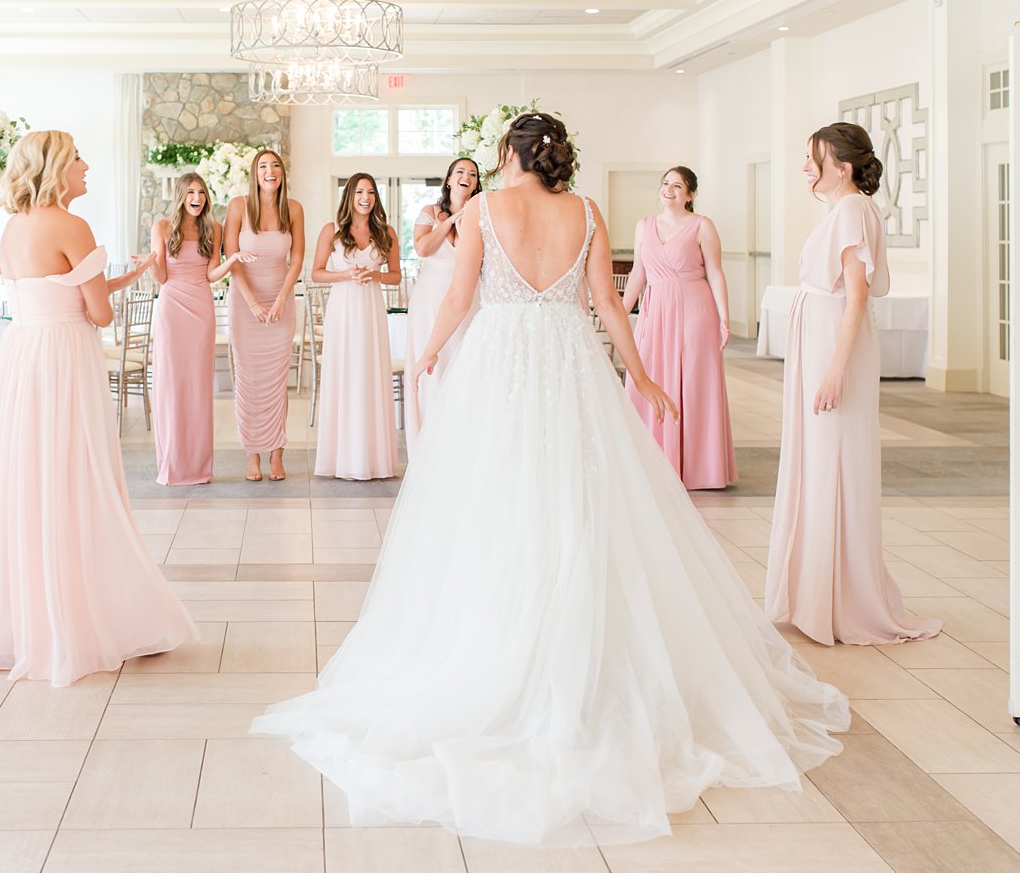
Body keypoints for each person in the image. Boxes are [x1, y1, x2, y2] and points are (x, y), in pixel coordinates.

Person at [251, 113, 848, 847]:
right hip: (569, 368)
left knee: (493, 505)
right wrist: (644, 377)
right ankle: (575, 649)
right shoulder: (588, 212)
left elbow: (459, 299)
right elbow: (604, 304)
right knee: (576, 504)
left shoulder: (480, 209)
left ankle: (496, 641)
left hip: (498, 367)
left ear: (508, 154)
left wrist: (426, 353)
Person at [0, 130, 197, 687]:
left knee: (26, 477)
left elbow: (58, 288)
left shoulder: (14, 227)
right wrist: (119, 286)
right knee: (73, 475)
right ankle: (75, 614)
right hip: (62, 356)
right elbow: (99, 316)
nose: (87, 166)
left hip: (23, 355)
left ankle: (19, 620)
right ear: (59, 168)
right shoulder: (72, 225)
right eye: (79, 158)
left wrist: (126, 276)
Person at [764, 122, 942, 646]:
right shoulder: (847, 209)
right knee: (821, 461)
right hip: (823, 339)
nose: (804, 168)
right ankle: (821, 592)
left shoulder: (850, 211)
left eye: (812, 159)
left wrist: (836, 368)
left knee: (832, 461)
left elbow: (857, 295)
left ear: (841, 166)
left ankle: (836, 598)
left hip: (834, 345)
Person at [621, 166, 738, 489]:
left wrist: (725, 316)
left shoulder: (702, 226)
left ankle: (699, 467)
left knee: (693, 382)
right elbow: (637, 274)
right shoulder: (644, 226)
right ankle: (649, 460)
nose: (669, 190)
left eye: (677, 185)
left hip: (695, 311)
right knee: (647, 374)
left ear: (691, 194)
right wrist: (619, 312)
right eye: (665, 184)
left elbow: (715, 272)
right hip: (655, 310)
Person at [149, 173, 257, 486]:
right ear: (181, 196)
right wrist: (148, 263)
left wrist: (233, 259)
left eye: (201, 192)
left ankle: (197, 467)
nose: (197, 198)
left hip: (201, 307)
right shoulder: (162, 228)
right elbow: (160, 276)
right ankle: (172, 464)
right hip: (172, 308)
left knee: (198, 386)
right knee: (172, 382)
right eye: (191, 192)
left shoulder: (214, 228)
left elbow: (211, 274)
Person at [311, 173, 401, 480]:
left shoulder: (386, 232)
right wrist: (347, 275)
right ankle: (342, 457)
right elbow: (317, 273)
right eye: (360, 191)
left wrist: (375, 276)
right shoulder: (332, 231)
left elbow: (396, 275)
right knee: (345, 373)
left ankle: (372, 458)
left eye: (372, 192)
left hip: (371, 308)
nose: (366, 197)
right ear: (349, 195)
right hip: (343, 308)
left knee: (370, 374)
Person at [223, 149, 304, 482]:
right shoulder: (239, 206)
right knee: (249, 380)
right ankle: (252, 454)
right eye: (263, 167)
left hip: (281, 302)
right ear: (255, 173)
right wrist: (254, 302)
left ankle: (277, 453)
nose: (270, 171)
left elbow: (297, 257)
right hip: (245, 304)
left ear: (282, 173)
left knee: (276, 381)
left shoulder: (294, 208)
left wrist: (283, 297)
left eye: (275, 166)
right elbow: (232, 258)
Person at [404, 157, 480, 450]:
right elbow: (423, 248)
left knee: (462, 364)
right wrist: (448, 221)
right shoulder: (430, 212)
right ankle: (427, 444)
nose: (466, 177)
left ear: (476, 184)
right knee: (431, 360)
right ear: (449, 179)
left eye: (472, 174)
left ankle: (460, 442)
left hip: (467, 297)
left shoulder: (479, 215)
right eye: (460, 172)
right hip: (430, 298)